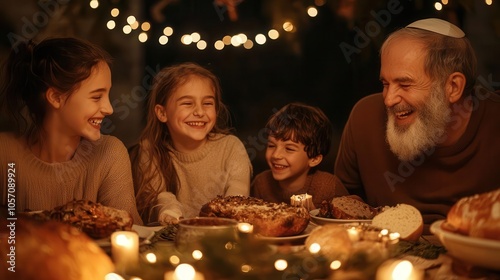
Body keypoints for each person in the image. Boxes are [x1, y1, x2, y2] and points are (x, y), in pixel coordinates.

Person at [334, 18, 500, 233]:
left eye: (405, 84)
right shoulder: (364, 117)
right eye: (385, 84)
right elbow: (338, 208)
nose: (389, 99)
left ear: (453, 87)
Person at [0, 37, 142, 225]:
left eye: (107, 95)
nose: (109, 108)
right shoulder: (5, 154)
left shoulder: (109, 153)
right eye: (96, 96)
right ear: (56, 97)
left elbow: (130, 235)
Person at [131, 62, 252, 225]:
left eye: (207, 103)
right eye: (187, 103)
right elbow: (160, 196)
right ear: (162, 112)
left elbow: (238, 195)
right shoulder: (150, 149)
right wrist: (171, 213)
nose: (200, 112)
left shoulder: (231, 147)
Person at [251, 103, 349, 208]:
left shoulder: (329, 187)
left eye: (289, 149)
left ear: (314, 159)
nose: (276, 155)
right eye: (271, 145)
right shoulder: (261, 184)